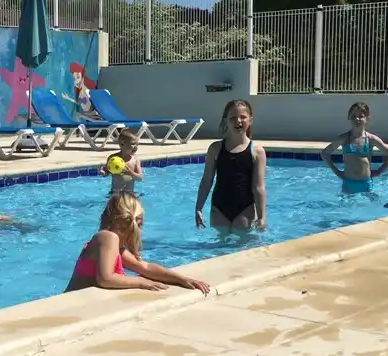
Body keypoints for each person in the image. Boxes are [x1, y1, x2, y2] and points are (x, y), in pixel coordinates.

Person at [66, 192, 211, 294]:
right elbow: (105, 278)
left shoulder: (114, 245)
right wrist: (140, 282)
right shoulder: (108, 237)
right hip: (69, 304)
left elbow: (145, 267)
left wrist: (181, 279)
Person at [195, 99, 267, 232]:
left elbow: (258, 187)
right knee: (219, 247)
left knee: (243, 247)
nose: (238, 121)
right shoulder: (215, 149)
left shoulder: (257, 151)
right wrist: (198, 208)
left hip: (245, 209)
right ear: (225, 121)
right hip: (219, 208)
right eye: (233, 117)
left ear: (250, 120)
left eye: (243, 117)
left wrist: (262, 216)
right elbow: (206, 180)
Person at [321, 102, 388, 194]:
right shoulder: (344, 138)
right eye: (353, 116)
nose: (357, 119)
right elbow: (325, 153)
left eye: (361, 116)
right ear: (349, 118)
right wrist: (337, 172)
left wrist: (379, 171)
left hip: (365, 184)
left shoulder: (371, 139)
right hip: (348, 183)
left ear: (367, 119)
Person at [99, 129, 142, 194]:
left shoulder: (135, 160)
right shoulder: (113, 158)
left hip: (129, 194)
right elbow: (107, 172)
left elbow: (140, 178)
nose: (136, 147)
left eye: (137, 144)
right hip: (115, 194)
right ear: (122, 144)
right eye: (133, 144)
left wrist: (129, 172)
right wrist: (103, 172)